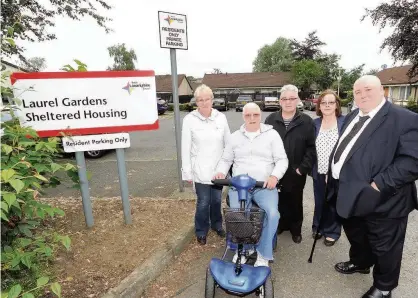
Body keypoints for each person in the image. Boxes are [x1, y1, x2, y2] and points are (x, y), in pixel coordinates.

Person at [328, 75, 418, 298]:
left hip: (384, 199)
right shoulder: (352, 116)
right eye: (357, 92)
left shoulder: (404, 119)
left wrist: (379, 184)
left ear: (382, 91)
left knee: (385, 246)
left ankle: (384, 287)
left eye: (368, 89)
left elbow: (412, 160)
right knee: (358, 235)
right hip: (349, 194)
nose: (362, 95)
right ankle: (361, 263)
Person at [214, 102, 288, 267]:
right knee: (239, 214)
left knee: (272, 214)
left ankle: (263, 253)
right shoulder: (235, 137)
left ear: (260, 115)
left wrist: (275, 176)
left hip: (264, 186)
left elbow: (282, 160)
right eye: (248, 115)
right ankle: (244, 250)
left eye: (255, 115)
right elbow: (226, 159)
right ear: (243, 116)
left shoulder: (272, 135)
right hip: (240, 187)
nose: (252, 118)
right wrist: (221, 171)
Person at [265, 84, 316, 243]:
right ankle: (281, 225)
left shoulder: (306, 121)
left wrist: (302, 168)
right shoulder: (271, 119)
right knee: (278, 199)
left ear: (298, 100)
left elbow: (311, 147)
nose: (288, 102)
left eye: (292, 98)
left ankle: (295, 229)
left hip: (296, 169)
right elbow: (264, 144)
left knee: (295, 201)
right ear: (280, 101)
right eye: (284, 99)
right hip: (276, 171)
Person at [181, 84, 231, 245]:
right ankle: (201, 230)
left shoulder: (220, 117)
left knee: (216, 200)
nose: (204, 103)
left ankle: (217, 225)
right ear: (196, 102)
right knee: (203, 202)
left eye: (207, 99)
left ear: (212, 99)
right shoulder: (189, 120)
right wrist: (187, 172)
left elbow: (228, 143)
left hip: (218, 170)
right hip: (200, 170)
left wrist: (226, 168)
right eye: (200, 100)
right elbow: (185, 147)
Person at [311, 89, 345, 246]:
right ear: (319, 106)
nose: (327, 105)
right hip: (319, 170)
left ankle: (332, 231)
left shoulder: (345, 123)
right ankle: (318, 227)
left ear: (337, 105)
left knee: (333, 203)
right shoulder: (315, 123)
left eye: (331, 102)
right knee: (319, 201)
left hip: (337, 173)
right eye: (323, 102)